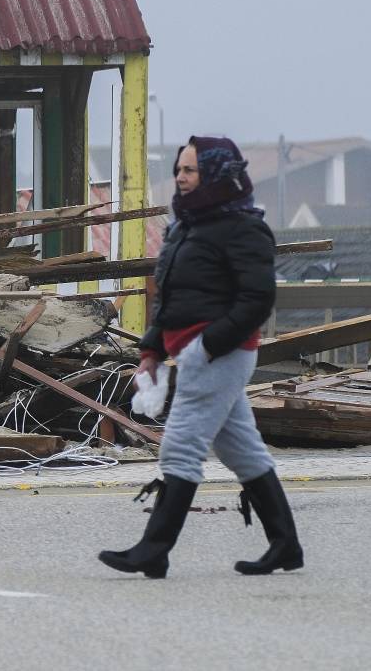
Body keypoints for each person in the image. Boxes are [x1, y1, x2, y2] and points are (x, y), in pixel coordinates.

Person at [98, 136, 304, 579]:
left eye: (190, 170)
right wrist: (152, 349)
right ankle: (285, 545)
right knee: (242, 450)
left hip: (218, 355)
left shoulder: (244, 228)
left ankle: (153, 550)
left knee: (180, 447)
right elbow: (170, 298)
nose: (180, 177)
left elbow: (257, 300)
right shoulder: (186, 225)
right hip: (194, 352)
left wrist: (206, 346)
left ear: (215, 174)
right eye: (179, 169)